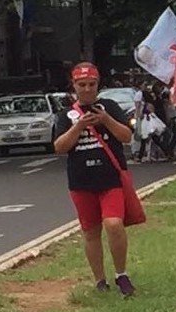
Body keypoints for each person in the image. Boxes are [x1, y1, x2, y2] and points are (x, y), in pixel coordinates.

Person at [52, 63, 137, 297]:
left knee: (114, 224)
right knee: (90, 232)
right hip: (81, 181)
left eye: (91, 84)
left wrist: (106, 120)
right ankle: (100, 280)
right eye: (82, 85)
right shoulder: (66, 115)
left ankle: (121, 274)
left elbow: (126, 137)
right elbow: (59, 147)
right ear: (74, 86)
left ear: (98, 85)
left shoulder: (110, 107)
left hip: (110, 179)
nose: (87, 89)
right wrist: (79, 126)